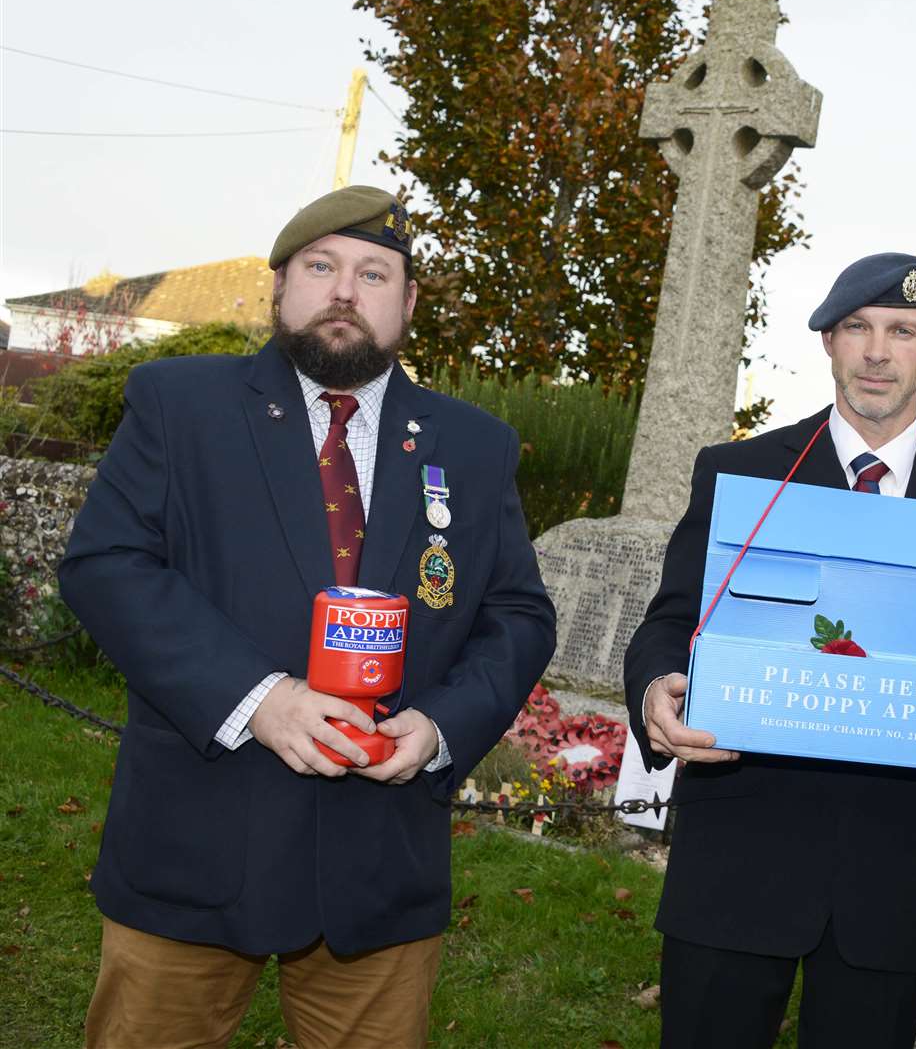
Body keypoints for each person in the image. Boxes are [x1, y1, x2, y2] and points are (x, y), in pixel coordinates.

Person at [59, 185, 556, 1049]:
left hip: (379, 859)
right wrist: (262, 700)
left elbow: (516, 611)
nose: (343, 290)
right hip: (198, 837)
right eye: (321, 267)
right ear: (280, 285)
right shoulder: (180, 405)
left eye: (373, 273)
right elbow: (107, 565)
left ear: (407, 302)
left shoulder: (474, 446)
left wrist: (439, 728)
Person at [623, 252, 916, 1049]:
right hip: (737, 857)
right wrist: (658, 684)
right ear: (829, 342)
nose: (876, 351)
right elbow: (671, 623)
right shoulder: (741, 471)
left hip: (895, 879)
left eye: (902, 331)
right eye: (857, 328)